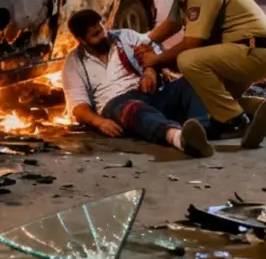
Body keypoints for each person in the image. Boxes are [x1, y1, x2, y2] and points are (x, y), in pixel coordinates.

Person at [136, 0, 266, 148]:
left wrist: (156, 60)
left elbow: (192, 43)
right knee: (205, 101)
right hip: (249, 51)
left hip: (251, 52)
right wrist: (141, 41)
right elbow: (172, 24)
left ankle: (236, 122)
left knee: (187, 60)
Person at [62, 10, 212, 158]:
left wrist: (150, 71)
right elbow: (78, 107)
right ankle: (177, 137)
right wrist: (99, 122)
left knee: (188, 82)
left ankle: (201, 132)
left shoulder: (124, 37)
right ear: (81, 40)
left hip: (148, 93)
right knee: (134, 109)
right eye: (95, 35)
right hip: (116, 104)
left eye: (101, 29)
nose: (103, 36)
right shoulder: (74, 62)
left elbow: (152, 49)